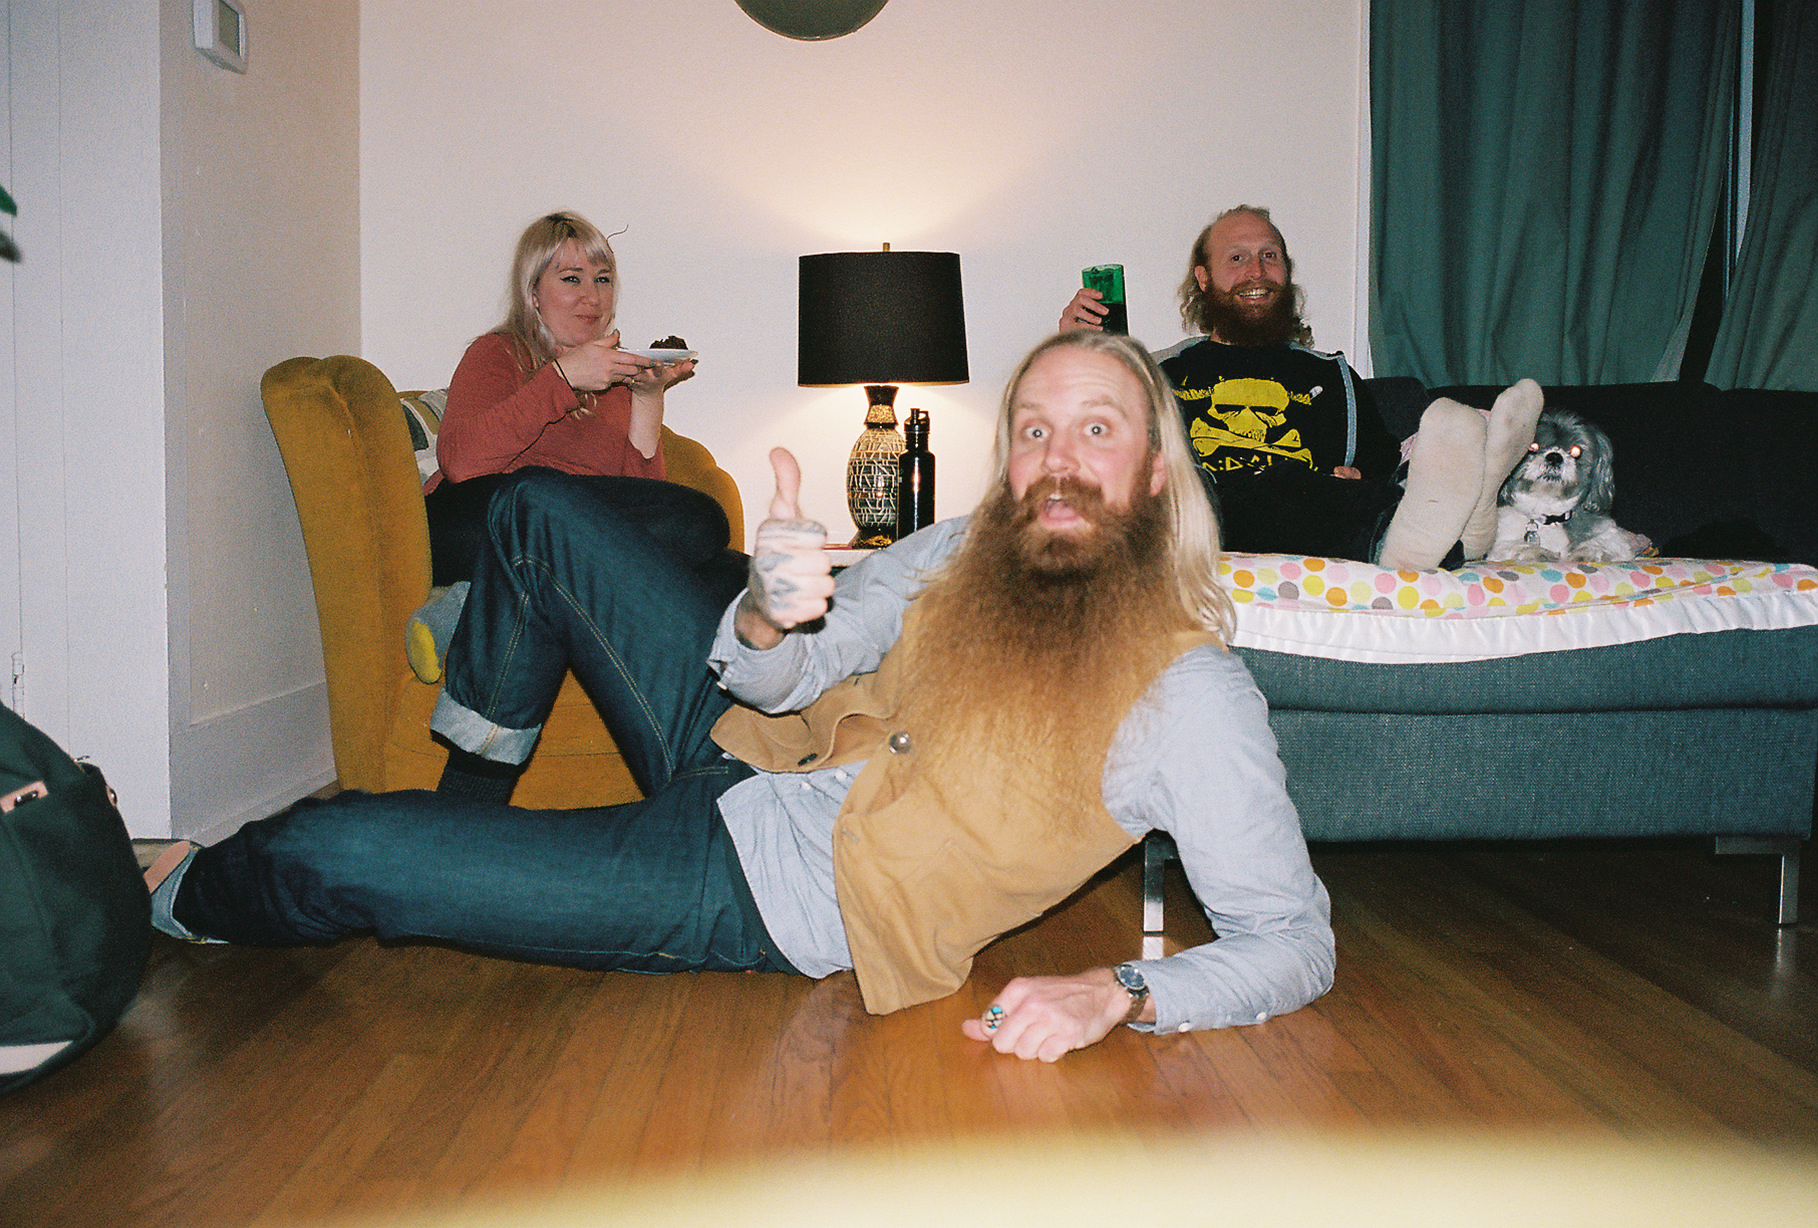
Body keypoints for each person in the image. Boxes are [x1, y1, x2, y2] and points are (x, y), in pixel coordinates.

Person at [144, 330, 1335, 1063]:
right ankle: (471, 816)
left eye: (1097, 428)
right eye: (1034, 428)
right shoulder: (960, 546)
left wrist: (1120, 990)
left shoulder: (1190, 695)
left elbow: (1294, 940)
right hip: (745, 737)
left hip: (767, 887)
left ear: (1155, 473)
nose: (1058, 456)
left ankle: (176, 889)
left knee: (336, 844)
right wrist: (767, 609)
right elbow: (792, 671)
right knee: (534, 515)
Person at [1059, 205, 1541, 568]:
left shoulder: (1331, 376)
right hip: (1195, 516)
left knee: (1325, 488)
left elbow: (1378, 463)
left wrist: (1361, 482)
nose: (1256, 271)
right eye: (1237, 258)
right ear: (1203, 280)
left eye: (1270, 256)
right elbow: (1089, 446)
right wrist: (1073, 352)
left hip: (1311, 514)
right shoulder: (1157, 373)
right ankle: (1431, 534)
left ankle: (1469, 528)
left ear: (1286, 272)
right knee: (1232, 486)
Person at [422, 211, 726, 588]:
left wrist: (647, 396)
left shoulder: (615, 379)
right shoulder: (498, 353)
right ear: (533, 293)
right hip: (482, 517)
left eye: (602, 279)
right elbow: (460, 462)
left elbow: (645, 501)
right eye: (571, 279)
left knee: (741, 580)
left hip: (574, 543)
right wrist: (562, 378)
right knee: (696, 519)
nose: (592, 296)